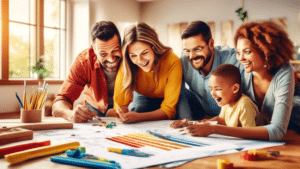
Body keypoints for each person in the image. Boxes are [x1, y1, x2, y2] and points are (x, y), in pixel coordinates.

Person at [173, 21, 297, 141]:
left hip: (292, 124)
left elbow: (277, 130)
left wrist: (214, 129)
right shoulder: (244, 70)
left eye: (247, 52)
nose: (241, 58)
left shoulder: (284, 72)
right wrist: (192, 123)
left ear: (266, 51)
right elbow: (229, 113)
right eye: (238, 52)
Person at [111, 22, 182, 123]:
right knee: (138, 109)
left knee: (184, 116)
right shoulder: (126, 65)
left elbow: (168, 110)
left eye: (144, 53)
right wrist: (123, 115)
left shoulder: (172, 61)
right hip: (143, 96)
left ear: (154, 47)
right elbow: (120, 104)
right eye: (133, 55)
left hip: (176, 95)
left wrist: (139, 117)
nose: (140, 60)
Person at [52, 21, 122, 123]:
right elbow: (62, 99)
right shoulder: (83, 62)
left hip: (125, 108)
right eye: (103, 54)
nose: (111, 59)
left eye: (115, 50)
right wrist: (70, 114)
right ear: (94, 49)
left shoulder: (132, 55)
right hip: (94, 109)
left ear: (121, 44)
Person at [177, 21, 245, 120]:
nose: (191, 56)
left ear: (211, 44)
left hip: (230, 119)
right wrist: (187, 120)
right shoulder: (183, 61)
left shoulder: (234, 59)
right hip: (201, 115)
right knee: (178, 89)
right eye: (187, 50)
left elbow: (245, 100)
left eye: (197, 49)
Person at [171, 64, 258, 129]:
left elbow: (251, 133)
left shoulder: (245, 105)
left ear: (235, 88)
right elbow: (220, 120)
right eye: (211, 89)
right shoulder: (227, 102)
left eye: (218, 89)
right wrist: (190, 123)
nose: (212, 93)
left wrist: (215, 130)